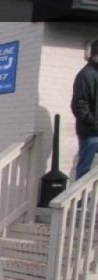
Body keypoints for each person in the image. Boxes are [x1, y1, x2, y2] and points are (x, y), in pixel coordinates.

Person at [72, 40, 98, 179]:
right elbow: (79, 104)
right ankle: (80, 194)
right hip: (91, 132)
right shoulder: (85, 75)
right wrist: (93, 122)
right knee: (84, 170)